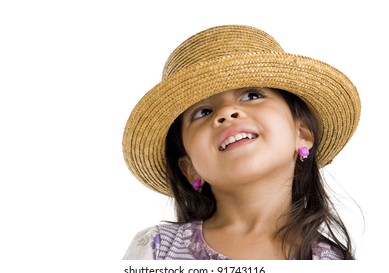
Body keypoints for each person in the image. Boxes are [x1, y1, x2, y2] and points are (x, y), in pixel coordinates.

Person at [122, 25, 361, 260]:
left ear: (303, 133)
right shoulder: (157, 250)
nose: (226, 113)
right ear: (190, 168)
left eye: (252, 95)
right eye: (202, 112)